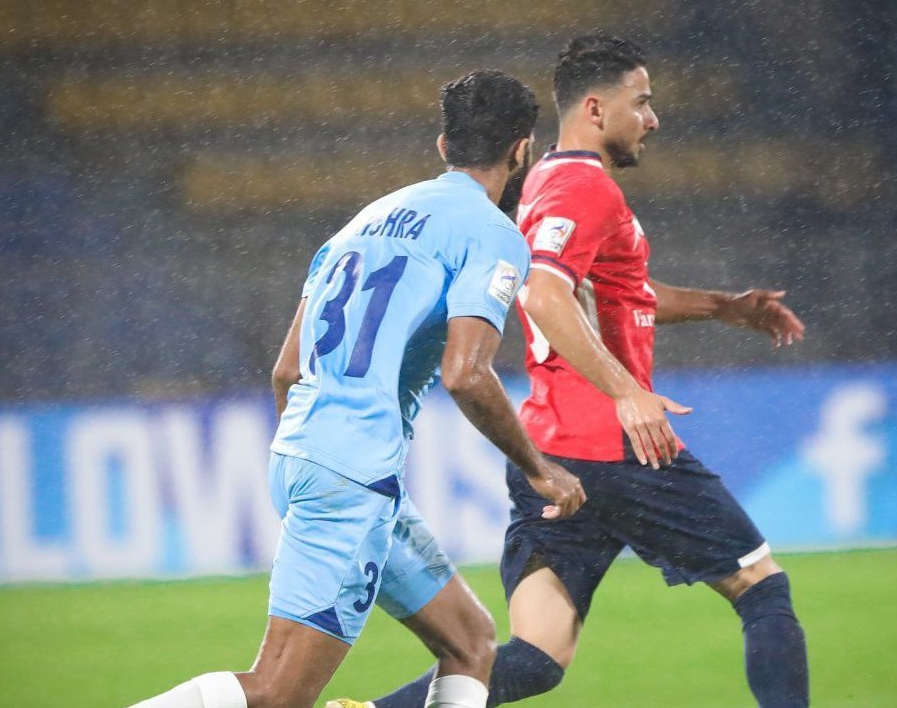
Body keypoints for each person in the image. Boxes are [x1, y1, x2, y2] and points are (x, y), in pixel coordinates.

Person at [329, 33, 809, 708]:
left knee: (536, 657)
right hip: (617, 445)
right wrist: (627, 392)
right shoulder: (586, 187)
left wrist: (721, 307)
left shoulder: (541, 183)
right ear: (595, 108)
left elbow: (615, 293)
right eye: (641, 102)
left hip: (551, 451)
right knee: (762, 589)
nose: (652, 119)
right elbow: (545, 294)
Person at [127, 69, 586, 708]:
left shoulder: (363, 222)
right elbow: (466, 372)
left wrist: (318, 456)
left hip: (317, 458)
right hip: (352, 475)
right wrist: (539, 469)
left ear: (443, 145)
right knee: (277, 693)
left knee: (471, 641)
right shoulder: (492, 233)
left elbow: (287, 370)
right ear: (522, 149)